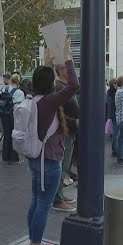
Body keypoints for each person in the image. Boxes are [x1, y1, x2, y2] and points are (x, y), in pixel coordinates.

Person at [27, 37, 79, 245]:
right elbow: (74, 85)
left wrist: (47, 62)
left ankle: (33, 243)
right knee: (44, 205)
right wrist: (67, 56)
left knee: (36, 201)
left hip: (36, 159)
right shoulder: (48, 102)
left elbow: (41, 80)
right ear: (51, 84)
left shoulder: (35, 98)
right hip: (48, 161)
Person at [52, 60, 80, 212]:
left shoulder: (64, 87)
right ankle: (57, 199)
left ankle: (59, 194)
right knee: (62, 165)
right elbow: (58, 112)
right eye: (68, 67)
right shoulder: (59, 87)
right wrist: (74, 122)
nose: (71, 70)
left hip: (69, 130)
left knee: (65, 165)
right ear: (61, 70)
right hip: (66, 130)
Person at [0, 73, 25, 164]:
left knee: (6, 135)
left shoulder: (4, 88)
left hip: (3, 114)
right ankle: (13, 157)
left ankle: (5, 156)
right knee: (14, 135)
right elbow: (21, 106)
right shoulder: (19, 92)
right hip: (14, 115)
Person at [106, 78, 119, 156]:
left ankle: (115, 149)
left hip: (112, 114)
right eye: (116, 83)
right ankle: (115, 150)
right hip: (116, 114)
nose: (117, 84)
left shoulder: (109, 92)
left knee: (116, 133)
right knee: (116, 133)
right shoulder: (115, 93)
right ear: (113, 84)